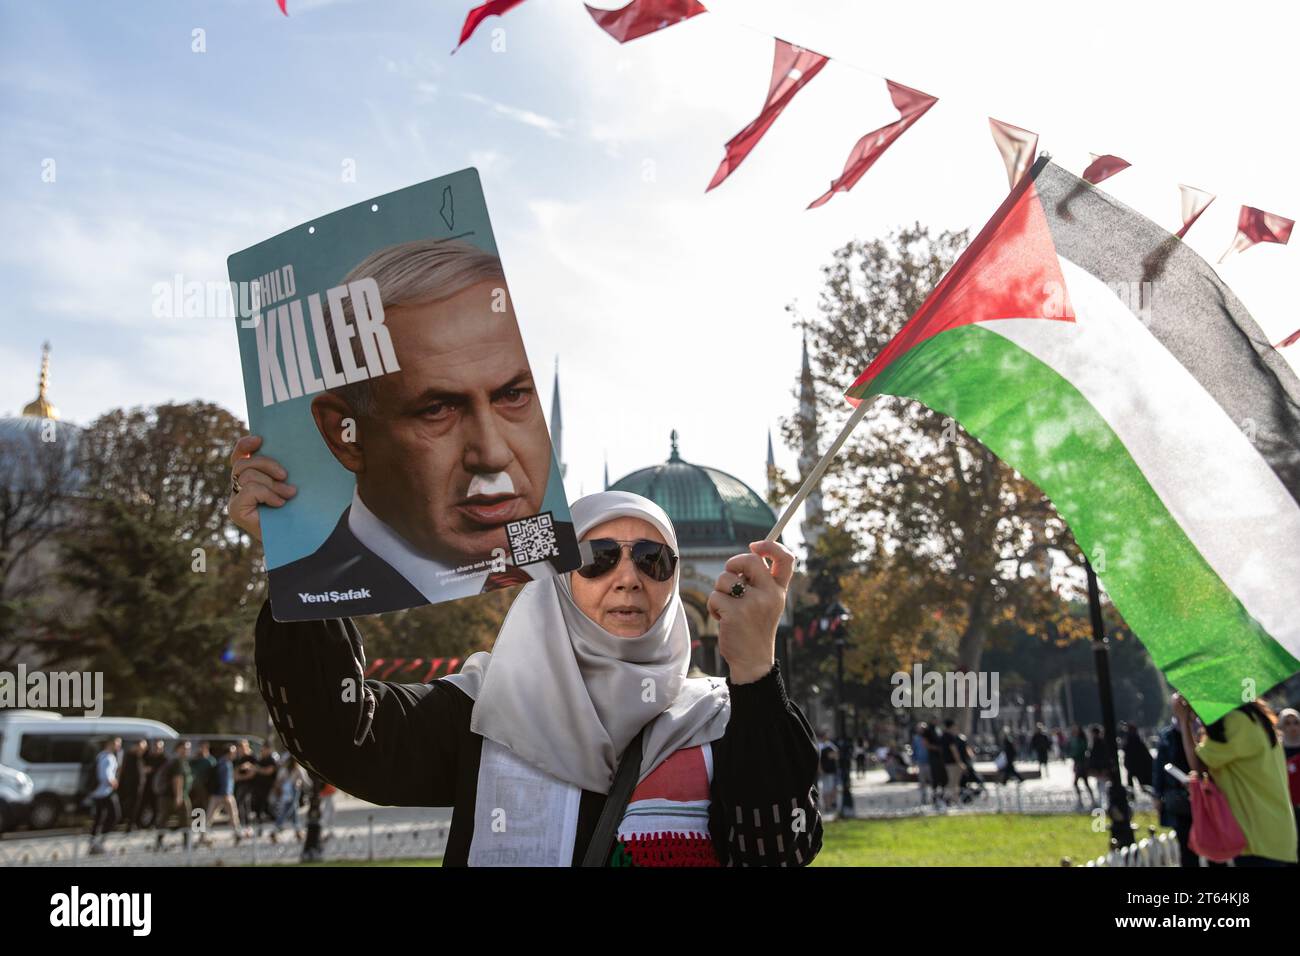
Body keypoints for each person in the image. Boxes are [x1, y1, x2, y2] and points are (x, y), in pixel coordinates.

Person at [233, 451, 824, 866]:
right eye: (596, 556)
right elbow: (345, 740)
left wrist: (753, 670)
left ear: (673, 584)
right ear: (559, 577)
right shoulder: (488, 710)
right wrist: (301, 562)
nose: (627, 578)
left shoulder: (720, 719)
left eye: (652, 559)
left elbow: (775, 849)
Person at [235, 240, 580, 617]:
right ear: (345, 435)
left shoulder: (591, 549)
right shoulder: (313, 587)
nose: (493, 453)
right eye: (438, 409)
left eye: (513, 394)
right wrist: (283, 554)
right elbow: (324, 677)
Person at [1173, 693, 1297, 866]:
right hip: (1274, 835)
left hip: (1258, 839)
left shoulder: (1236, 721)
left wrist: (1184, 719)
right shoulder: (1252, 716)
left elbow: (1198, 763)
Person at [1151, 715, 1197, 867]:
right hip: (1179, 799)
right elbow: (1159, 767)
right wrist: (1157, 795)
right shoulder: (1167, 737)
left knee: (1213, 845)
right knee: (1186, 846)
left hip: (1203, 797)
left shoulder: (1201, 730)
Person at [154, 740, 193, 852]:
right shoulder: (177, 762)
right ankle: (186, 844)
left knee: (165, 819)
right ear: (178, 749)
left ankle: (160, 843)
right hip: (174, 796)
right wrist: (179, 796)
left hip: (172, 796)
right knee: (183, 819)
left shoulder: (181, 761)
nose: (187, 750)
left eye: (188, 748)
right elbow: (177, 779)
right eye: (184, 748)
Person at [205, 744, 244, 844]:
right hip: (225, 794)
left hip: (217, 794)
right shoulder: (226, 764)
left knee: (209, 817)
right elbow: (225, 781)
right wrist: (227, 794)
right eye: (233, 752)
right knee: (233, 815)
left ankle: (203, 835)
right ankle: (237, 834)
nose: (235, 754)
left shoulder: (221, 762)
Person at [88, 737, 121, 855]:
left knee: (99, 817)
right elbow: (105, 776)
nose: (118, 746)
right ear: (110, 744)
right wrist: (114, 782)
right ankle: (100, 842)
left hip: (98, 792)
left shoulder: (101, 755)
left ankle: (94, 843)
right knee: (114, 815)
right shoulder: (108, 757)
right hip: (105, 792)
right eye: (117, 744)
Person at [1279, 707, 1300, 864]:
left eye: (1296, 722)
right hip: (1287, 808)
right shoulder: (1277, 752)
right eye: (1287, 723)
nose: (1292, 727)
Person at [271, 757, 307, 842]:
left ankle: (297, 831)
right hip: (292, 792)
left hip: (285, 793)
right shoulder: (298, 769)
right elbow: (306, 781)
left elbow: (278, 780)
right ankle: (276, 829)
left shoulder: (285, 770)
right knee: (288, 811)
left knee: (293, 810)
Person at [117, 739, 147, 833]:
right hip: (129, 788)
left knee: (135, 806)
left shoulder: (139, 758)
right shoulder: (129, 757)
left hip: (138, 788)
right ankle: (127, 824)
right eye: (141, 747)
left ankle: (132, 824)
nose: (143, 750)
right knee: (128, 806)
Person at [1122, 723, 1154, 796]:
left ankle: (1133, 798)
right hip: (1137, 767)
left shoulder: (1130, 741)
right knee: (1141, 786)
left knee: (1138, 786)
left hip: (1135, 767)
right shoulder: (1135, 740)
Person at [1068, 724, 1096, 808]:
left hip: (1081, 764)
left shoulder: (1081, 740)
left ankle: (1084, 800)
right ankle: (1088, 799)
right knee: (1083, 783)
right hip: (1078, 763)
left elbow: (1079, 751)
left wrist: (1073, 755)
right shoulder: (1075, 739)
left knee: (1079, 782)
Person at [188, 741, 217, 819]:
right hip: (195, 786)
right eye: (200, 747)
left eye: (203, 747)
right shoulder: (195, 760)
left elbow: (214, 774)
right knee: (195, 804)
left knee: (205, 804)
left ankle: (203, 822)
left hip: (206, 786)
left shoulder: (211, 760)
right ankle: (195, 821)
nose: (201, 749)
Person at [940, 720, 964, 805]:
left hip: (946, 762)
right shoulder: (950, 737)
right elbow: (954, 750)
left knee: (953, 782)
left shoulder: (942, 736)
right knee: (953, 782)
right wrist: (960, 762)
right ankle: (945, 799)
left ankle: (955, 799)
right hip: (953, 763)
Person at [817, 730, 840, 814]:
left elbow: (836, 754)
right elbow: (819, 759)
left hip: (832, 771)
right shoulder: (819, 745)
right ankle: (827, 806)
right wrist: (820, 769)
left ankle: (830, 805)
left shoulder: (830, 744)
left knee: (831, 788)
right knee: (826, 789)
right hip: (825, 771)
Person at [912, 722, 932, 804]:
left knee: (932, 781)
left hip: (930, 762)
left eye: (923, 729)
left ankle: (933, 797)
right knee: (922, 782)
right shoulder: (916, 738)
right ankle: (924, 799)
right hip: (920, 762)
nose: (921, 730)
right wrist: (914, 762)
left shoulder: (930, 738)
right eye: (919, 729)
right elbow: (914, 750)